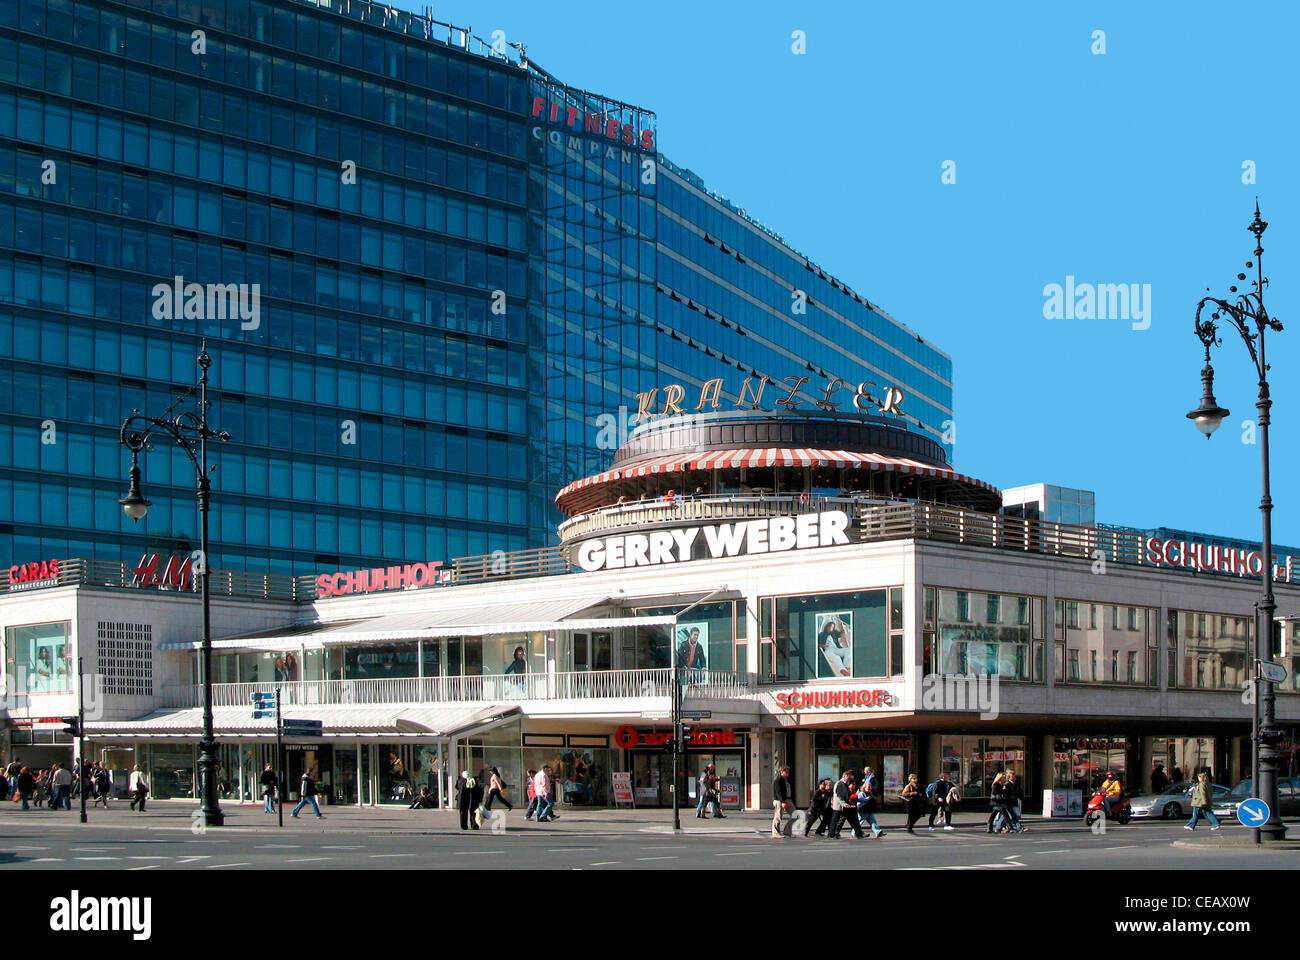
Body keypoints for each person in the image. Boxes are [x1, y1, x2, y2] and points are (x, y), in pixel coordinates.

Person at [829, 770, 864, 839]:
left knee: (852, 819)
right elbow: (838, 795)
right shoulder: (840, 783)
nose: (849, 778)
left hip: (845, 806)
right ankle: (832, 834)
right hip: (840, 806)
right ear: (844, 776)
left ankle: (858, 833)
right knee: (836, 820)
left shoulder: (844, 783)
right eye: (848, 777)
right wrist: (844, 804)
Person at [857, 766, 885, 837]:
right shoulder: (862, 793)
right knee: (859, 822)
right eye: (868, 787)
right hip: (863, 810)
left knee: (873, 821)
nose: (864, 772)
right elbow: (859, 801)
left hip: (869, 809)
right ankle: (854, 832)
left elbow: (877, 784)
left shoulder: (873, 777)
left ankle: (878, 832)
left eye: (866, 771)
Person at [771, 765, 795, 839]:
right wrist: (782, 801)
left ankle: (787, 831)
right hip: (779, 800)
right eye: (786, 772)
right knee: (778, 817)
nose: (787, 774)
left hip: (788, 799)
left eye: (788, 772)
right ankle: (775, 832)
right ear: (781, 772)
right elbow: (778, 792)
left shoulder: (786, 780)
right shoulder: (778, 780)